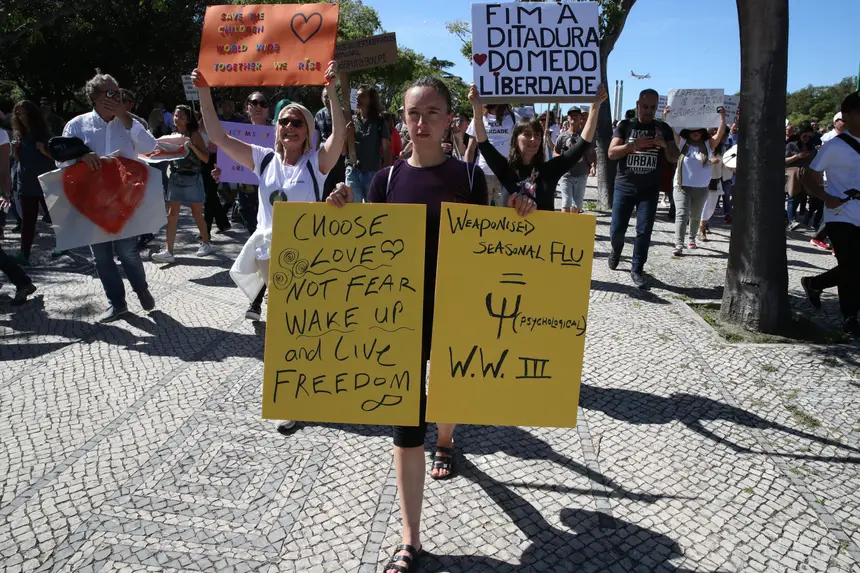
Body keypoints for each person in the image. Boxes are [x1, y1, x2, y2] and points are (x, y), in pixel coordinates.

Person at [327, 76, 535, 573]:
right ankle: (410, 539)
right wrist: (340, 210)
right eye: (412, 113)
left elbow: (492, 244)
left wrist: (521, 209)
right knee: (405, 425)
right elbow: (366, 250)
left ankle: (447, 440)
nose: (420, 123)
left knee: (446, 393)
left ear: (450, 120)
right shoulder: (385, 180)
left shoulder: (468, 180)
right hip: (397, 320)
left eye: (432, 113)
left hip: (454, 314)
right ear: (402, 117)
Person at [194, 61, 345, 434]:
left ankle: (318, 383)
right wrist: (204, 91)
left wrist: (333, 92)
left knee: (310, 326)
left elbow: (339, 134)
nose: (289, 127)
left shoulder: (316, 163)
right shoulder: (262, 160)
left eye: (297, 122)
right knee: (282, 330)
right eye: (284, 121)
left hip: (310, 259)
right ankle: (288, 401)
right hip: (270, 259)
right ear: (276, 129)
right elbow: (218, 135)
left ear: (308, 131)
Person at [61, 71, 158, 322]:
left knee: (127, 252)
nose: (116, 97)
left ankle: (142, 289)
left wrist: (125, 117)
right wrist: (81, 157)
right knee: (101, 257)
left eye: (119, 92)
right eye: (110, 92)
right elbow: (61, 161)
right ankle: (117, 303)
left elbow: (150, 148)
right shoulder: (77, 125)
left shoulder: (131, 123)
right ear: (94, 97)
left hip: (125, 202)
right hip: (92, 204)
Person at [471, 84, 605, 212]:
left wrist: (595, 106)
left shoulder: (550, 170)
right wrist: (477, 109)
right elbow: (484, 144)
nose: (533, 139)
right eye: (527, 134)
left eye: (537, 135)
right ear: (515, 138)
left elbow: (582, 145)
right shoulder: (505, 169)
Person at [800, 91, 860, 336]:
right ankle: (849, 318)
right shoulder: (834, 146)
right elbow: (808, 178)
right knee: (852, 264)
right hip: (841, 213)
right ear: (846, 116)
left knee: (854, 266)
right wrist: (827, 198)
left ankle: (814, 283)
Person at [607, 89, 680, 288]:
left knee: (644, 231)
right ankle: (616, 249)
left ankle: (637, 268)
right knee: (617, 230)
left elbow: (674, 156)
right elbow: (612, 153)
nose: (648, 111)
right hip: (624, 186)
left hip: (649, 188)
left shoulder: (662, 128)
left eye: (653, 107)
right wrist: (633, 146)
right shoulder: (625, 125)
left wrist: (664, 144)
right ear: (638, 104)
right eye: (645, 106)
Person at [150, 105, 213, 263]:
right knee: (172, 216)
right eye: (176, 115)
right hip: (176, 178)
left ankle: (205, 242)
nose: (177, 119)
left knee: (197, 213)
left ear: (188, 120)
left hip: (193, 178)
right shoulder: (172, 135)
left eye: (181, 116)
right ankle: (169, 251)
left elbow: (205, 159)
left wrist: (191, 146)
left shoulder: (194, 135)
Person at [664, 106, 726, 255]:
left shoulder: (708, 144)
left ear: (702, 131)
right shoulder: (682, 143)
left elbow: (720, 133)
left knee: (696, 215)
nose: (696, 133)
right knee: (682, 214)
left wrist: (722, 118)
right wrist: (668, 116)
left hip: (701, 187)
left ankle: (691, 238)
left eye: (698, 130)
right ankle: (678, 244)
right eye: (693, 130)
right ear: (688, 132)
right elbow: (672, 128)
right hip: (681, 185)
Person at [10, 100, 56, 265]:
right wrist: (15, 151)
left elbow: (58, 159)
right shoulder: (19, 136)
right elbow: (18, 161)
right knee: (27, 222)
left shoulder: (46, 135)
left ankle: (65, 245)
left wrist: (44, 151)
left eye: (24, 113)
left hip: (46, 184)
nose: (21, 117)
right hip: (26, 185)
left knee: (55, 219)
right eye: (18, 114)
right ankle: (24, 254)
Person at [465, 103, 518, 206]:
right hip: (483, 173)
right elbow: (470, 149)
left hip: (505, 175)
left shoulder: (514, 117)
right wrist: (466, 175)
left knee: (504, 214)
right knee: (483, 212)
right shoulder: (479, 119)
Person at [346, 84, 391, 202]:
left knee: (371, 208)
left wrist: (387, 173)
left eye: (362, 96)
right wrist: (347, 134)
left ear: (370, 100)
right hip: (353, 171)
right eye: (357, 95)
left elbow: (386, 148)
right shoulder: (352, 120)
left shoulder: (379, 121)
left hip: (372, 172)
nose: (357, 98)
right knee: (352, 208)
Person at [555, 107, 596, 213]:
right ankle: (563, 227)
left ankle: (572, 228)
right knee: (566, 202)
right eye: (571, 115)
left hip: (581, 173)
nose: (573, 117)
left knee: (577, 205)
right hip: (566, 175)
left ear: (580, 118)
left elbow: (591, 151)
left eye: (576, 115)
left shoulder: (586, 135)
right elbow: (555, 152)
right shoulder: (562, 136)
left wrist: (593, 165)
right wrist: (560, 159)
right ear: (568, 118)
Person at [785, 122, 822, 231]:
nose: (807, 138)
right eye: (805, 136)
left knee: (808, 197)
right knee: (793, 197)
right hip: (794, 172)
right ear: (800, 134)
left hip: (807, 173)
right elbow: (784, 160)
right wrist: (797, 156)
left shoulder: (812, 146)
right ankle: (792, 221)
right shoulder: (791, 144)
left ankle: (805, 218)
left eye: (810, 136)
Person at [314, 89, 346, 199]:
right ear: (322, 99)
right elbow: (316, 137)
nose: (327, 99)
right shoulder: (319, 115)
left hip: (341, 157)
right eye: (325, 97)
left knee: (340, 189)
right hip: (324, 157)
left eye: (329, 96)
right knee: (324, 190)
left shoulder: (344, 113)